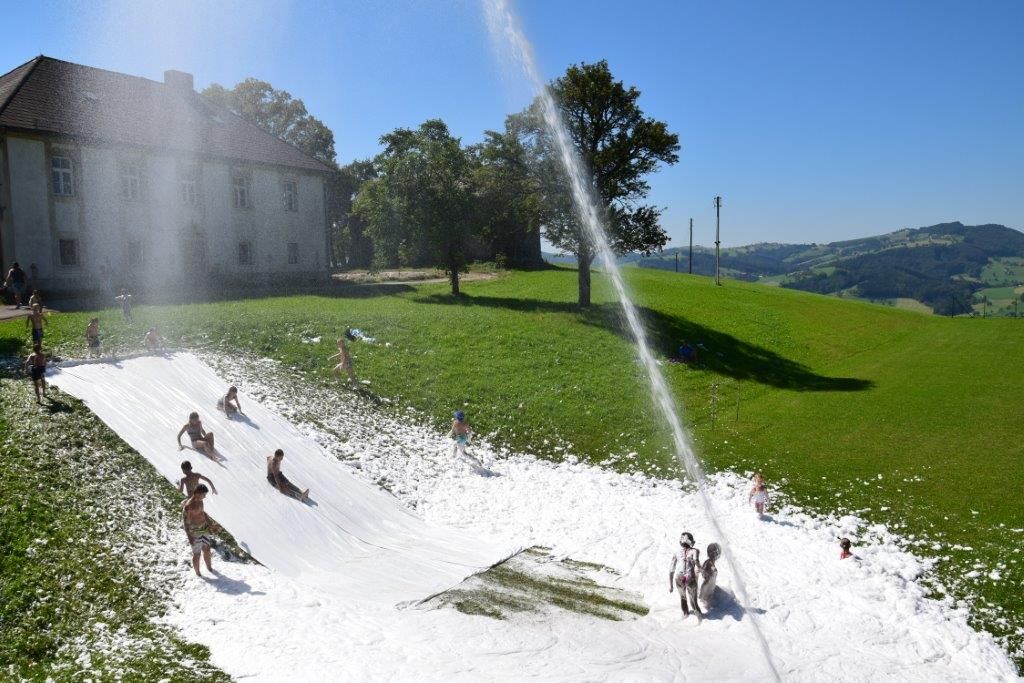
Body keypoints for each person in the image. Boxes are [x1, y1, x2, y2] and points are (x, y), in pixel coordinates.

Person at [182, 484, 220, 577]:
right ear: (197, 493)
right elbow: (186, 524)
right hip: (194, 531)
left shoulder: (200, 501)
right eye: (204, 495)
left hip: (203, 528)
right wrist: (190, 537)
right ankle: (198, 573)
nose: (205, 497)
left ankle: (209, 567)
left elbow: (203, 513)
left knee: (207, 549)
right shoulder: (188, 506)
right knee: (197, 554)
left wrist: (211, 524)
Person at [669, 532, 703, 621]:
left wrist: (671, 585)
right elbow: (696, 560)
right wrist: (701, 569)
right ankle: (700, 619)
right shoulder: (695, 551)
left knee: (683, 598)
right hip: (690, 577)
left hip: (679, 578)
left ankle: (685, 615)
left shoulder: (676, 552)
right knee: (694, 601)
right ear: (691, 541)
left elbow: (671, 569)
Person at [698, 542, 721, 609]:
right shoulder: (709, 564)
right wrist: (702, 596)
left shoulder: (708, 562)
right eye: (717, 552)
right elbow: (706, 579)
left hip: (709, 589)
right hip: (707, 593)